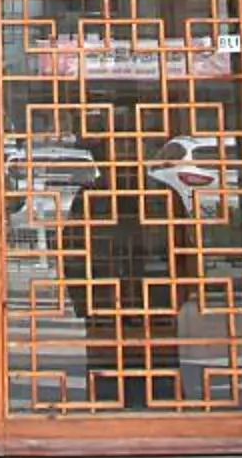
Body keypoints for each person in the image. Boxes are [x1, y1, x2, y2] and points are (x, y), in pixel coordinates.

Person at [65, 97, 180, 411]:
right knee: (107, 381)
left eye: (131, 149)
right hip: (104, 299)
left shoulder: (161, 194)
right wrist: (83, 297)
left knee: (159, 378)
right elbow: (73, 250)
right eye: (118, 150)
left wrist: (176, 297)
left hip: (154, 301)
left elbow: (183, 251)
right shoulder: (90, 196)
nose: (124, 157)